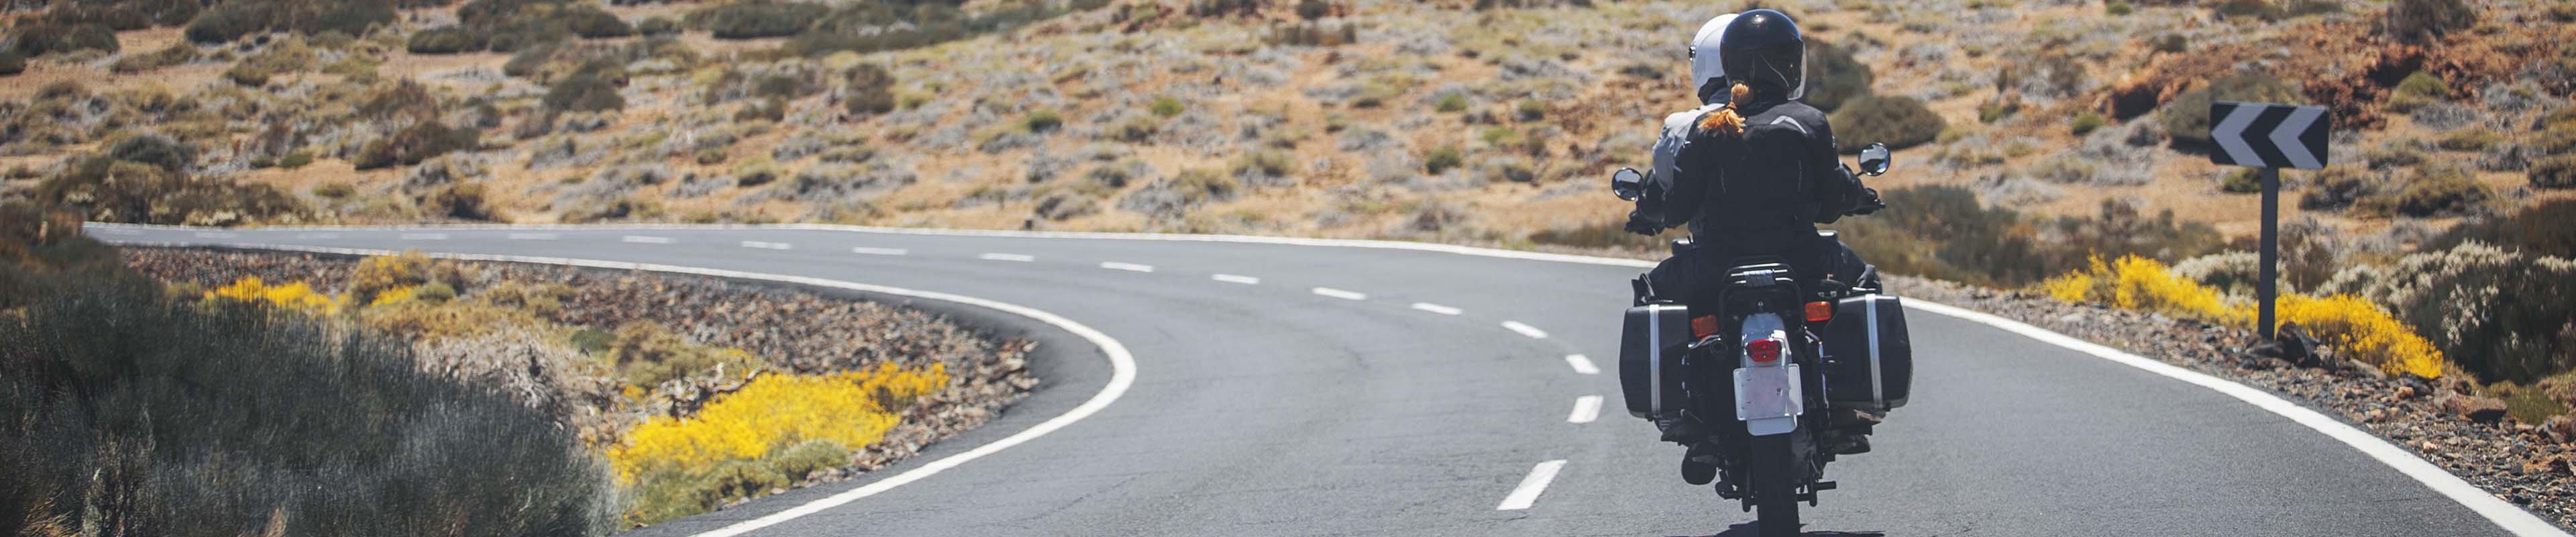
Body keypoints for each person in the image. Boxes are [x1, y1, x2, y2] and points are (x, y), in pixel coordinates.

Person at [1623, 8, 1884, 484]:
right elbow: (1829, 204)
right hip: (1802, 265)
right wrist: (1859, 197)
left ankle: (1689, 419)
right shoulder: (1808, 121)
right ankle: (1851, 406)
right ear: (1791, 66)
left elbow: (1676, 206)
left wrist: (1647, 214)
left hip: (1714, 271)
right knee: (1864, 280)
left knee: (1652, 292)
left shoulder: (1710, 128)